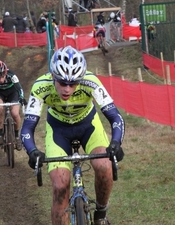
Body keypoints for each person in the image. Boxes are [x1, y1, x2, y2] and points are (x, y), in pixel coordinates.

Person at [21, 46, 125, 225]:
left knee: (104, 167)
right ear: (53, 76)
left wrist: (116, 142)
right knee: (60, 186)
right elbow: (27, 128)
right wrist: (32, 151)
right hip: (58, 131)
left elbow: (115, 117)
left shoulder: (90, 81)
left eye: (73, 83)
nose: (67, 89)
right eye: (62, 82)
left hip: (88, 126)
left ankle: (100, 214)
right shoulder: (41, 87)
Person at [0, 59, 27, 150]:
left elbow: (19, 89)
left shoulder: (11, 75)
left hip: (12, 93)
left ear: (5, 72)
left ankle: (17, 136)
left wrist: (21, 97)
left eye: (2, 76)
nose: (1, 79)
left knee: (15, 113)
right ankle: (1, 134)